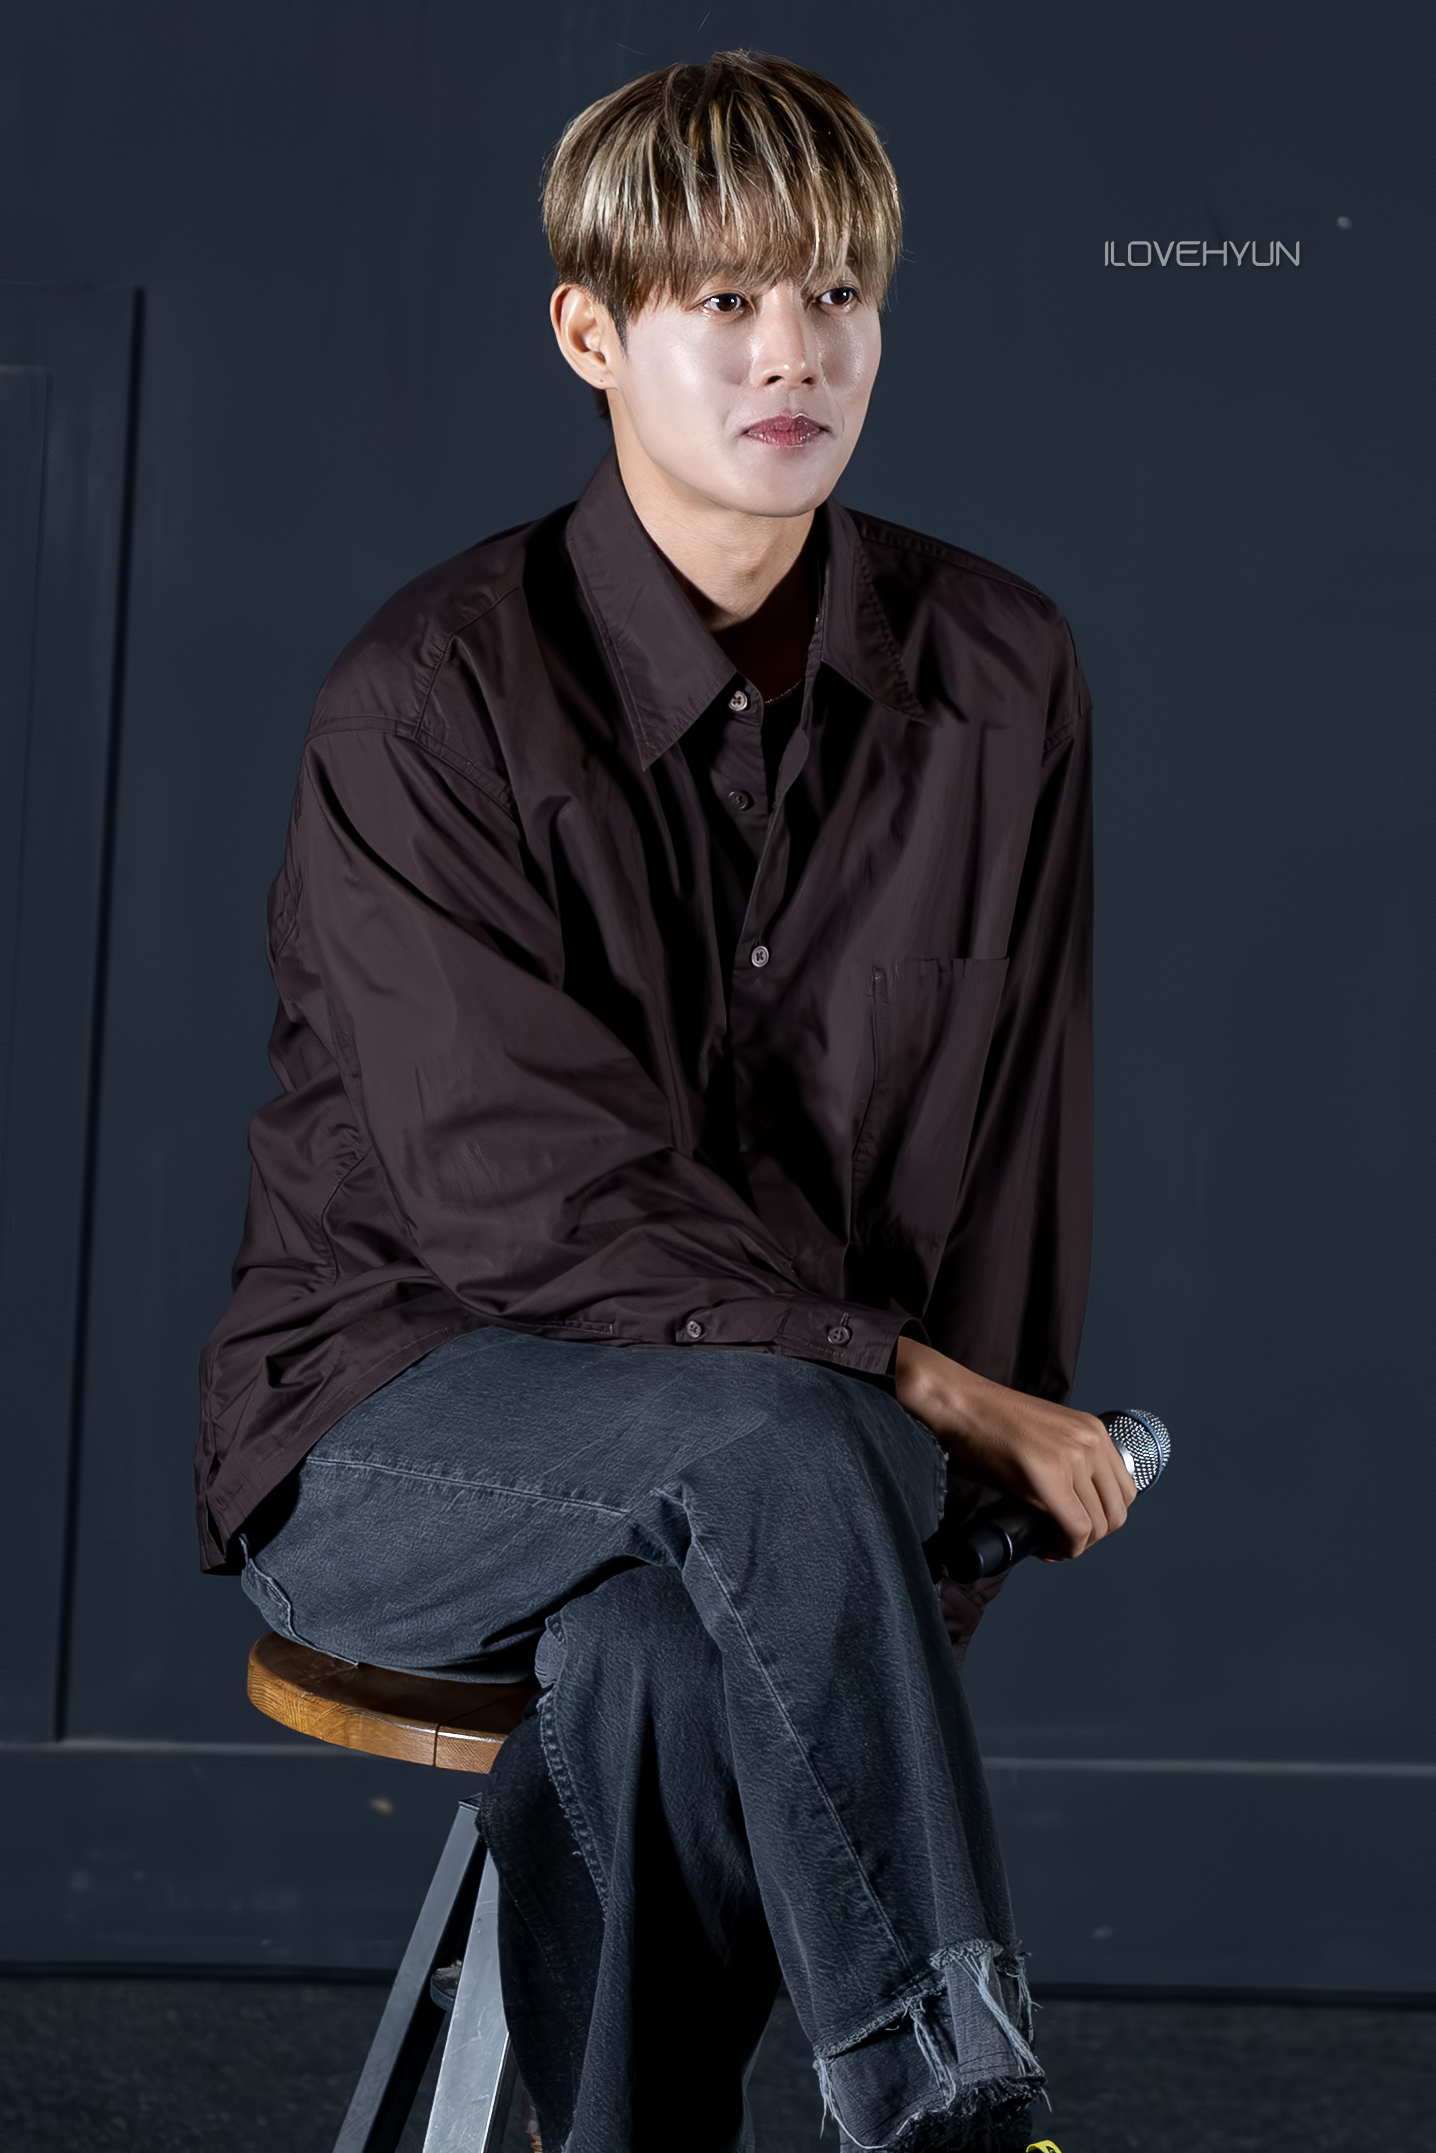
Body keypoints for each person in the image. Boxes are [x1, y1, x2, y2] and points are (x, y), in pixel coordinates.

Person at [198, 50, 1134, 2153]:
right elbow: (517, 1202)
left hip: (800, 1471)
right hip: (397, 1419)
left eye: (835, 296)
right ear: (592, 332)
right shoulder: (424, 699)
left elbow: (1015, 1157)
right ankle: (950, 2100)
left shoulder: (1003, 673)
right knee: (777, 1431)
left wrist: (923, 1536)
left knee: (671, 1661)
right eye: (723, 300)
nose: (792, 352)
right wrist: (925, 1398)